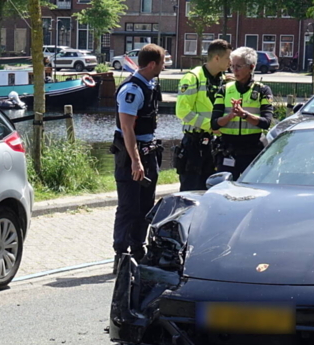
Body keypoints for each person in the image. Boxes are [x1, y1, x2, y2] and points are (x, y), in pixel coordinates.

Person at [111, 43, 166, 273]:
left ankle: (138, 249)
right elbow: (127, 128)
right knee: (129, 206)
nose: (164, 67)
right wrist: (135, 161)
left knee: (146, 206)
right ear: (152, 64)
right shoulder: (132, 90)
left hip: (148, 151)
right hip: (132, 154)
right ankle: (121, 254)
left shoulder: (150, 85)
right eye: (162, 63)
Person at [175, 38, 231, 191]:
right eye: (227, 58)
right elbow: (182, 111)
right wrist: (211, 125)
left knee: (210, 191)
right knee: (190, 191)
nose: (230, 62)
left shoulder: (223, 80)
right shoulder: (193, 77)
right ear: (216, 58)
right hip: (194, 143)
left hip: (213, 144)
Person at [210, 46, 273, 180]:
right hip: (228, 151)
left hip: (252, 151)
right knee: (224, 191)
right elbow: (214, 124)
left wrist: (244, 115)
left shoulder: (263, 90)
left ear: (251, 67)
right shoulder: (224, 90)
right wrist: (230, 116)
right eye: (232, 66)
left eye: (238, 66)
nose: (234, 70)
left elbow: (266, 122)